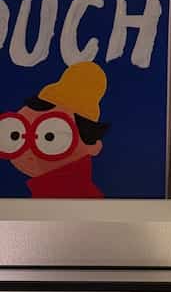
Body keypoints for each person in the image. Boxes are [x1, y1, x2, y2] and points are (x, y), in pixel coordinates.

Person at [0, 63, 109, 198]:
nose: (28, 153)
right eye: (15, 135)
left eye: (50, 137)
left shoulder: (80, 196)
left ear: (93, 146)